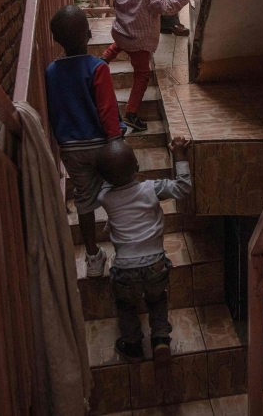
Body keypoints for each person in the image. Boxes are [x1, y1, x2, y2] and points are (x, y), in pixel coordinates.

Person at [95, 136, 192, 363]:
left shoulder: (104, 198)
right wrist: (179, 155)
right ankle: (160, 339)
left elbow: (108, 179)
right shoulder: (151, 189)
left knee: (126, 305)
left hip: (125, 268)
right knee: (157, 300)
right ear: (137, 166)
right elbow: (183, 188)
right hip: (156, 263)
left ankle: (132, 344)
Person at [45, 5, 124, 277]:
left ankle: (92, 258)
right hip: (102, 145)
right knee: (119, 192)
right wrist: (116, 141)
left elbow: (54, 111)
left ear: (57, 41)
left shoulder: (51, 72)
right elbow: (107, 109)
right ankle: (124, 247)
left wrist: (62, 143)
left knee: (85, 201)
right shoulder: (97, 68)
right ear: (89, 33)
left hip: (71, 148)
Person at [102, 0, 193, 132]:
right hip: (138, 45)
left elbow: (116, 1)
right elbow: (169, 7)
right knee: (142, 76)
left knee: (122, 41)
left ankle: (104, 59)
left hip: (121, 35)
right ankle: (131, 113)